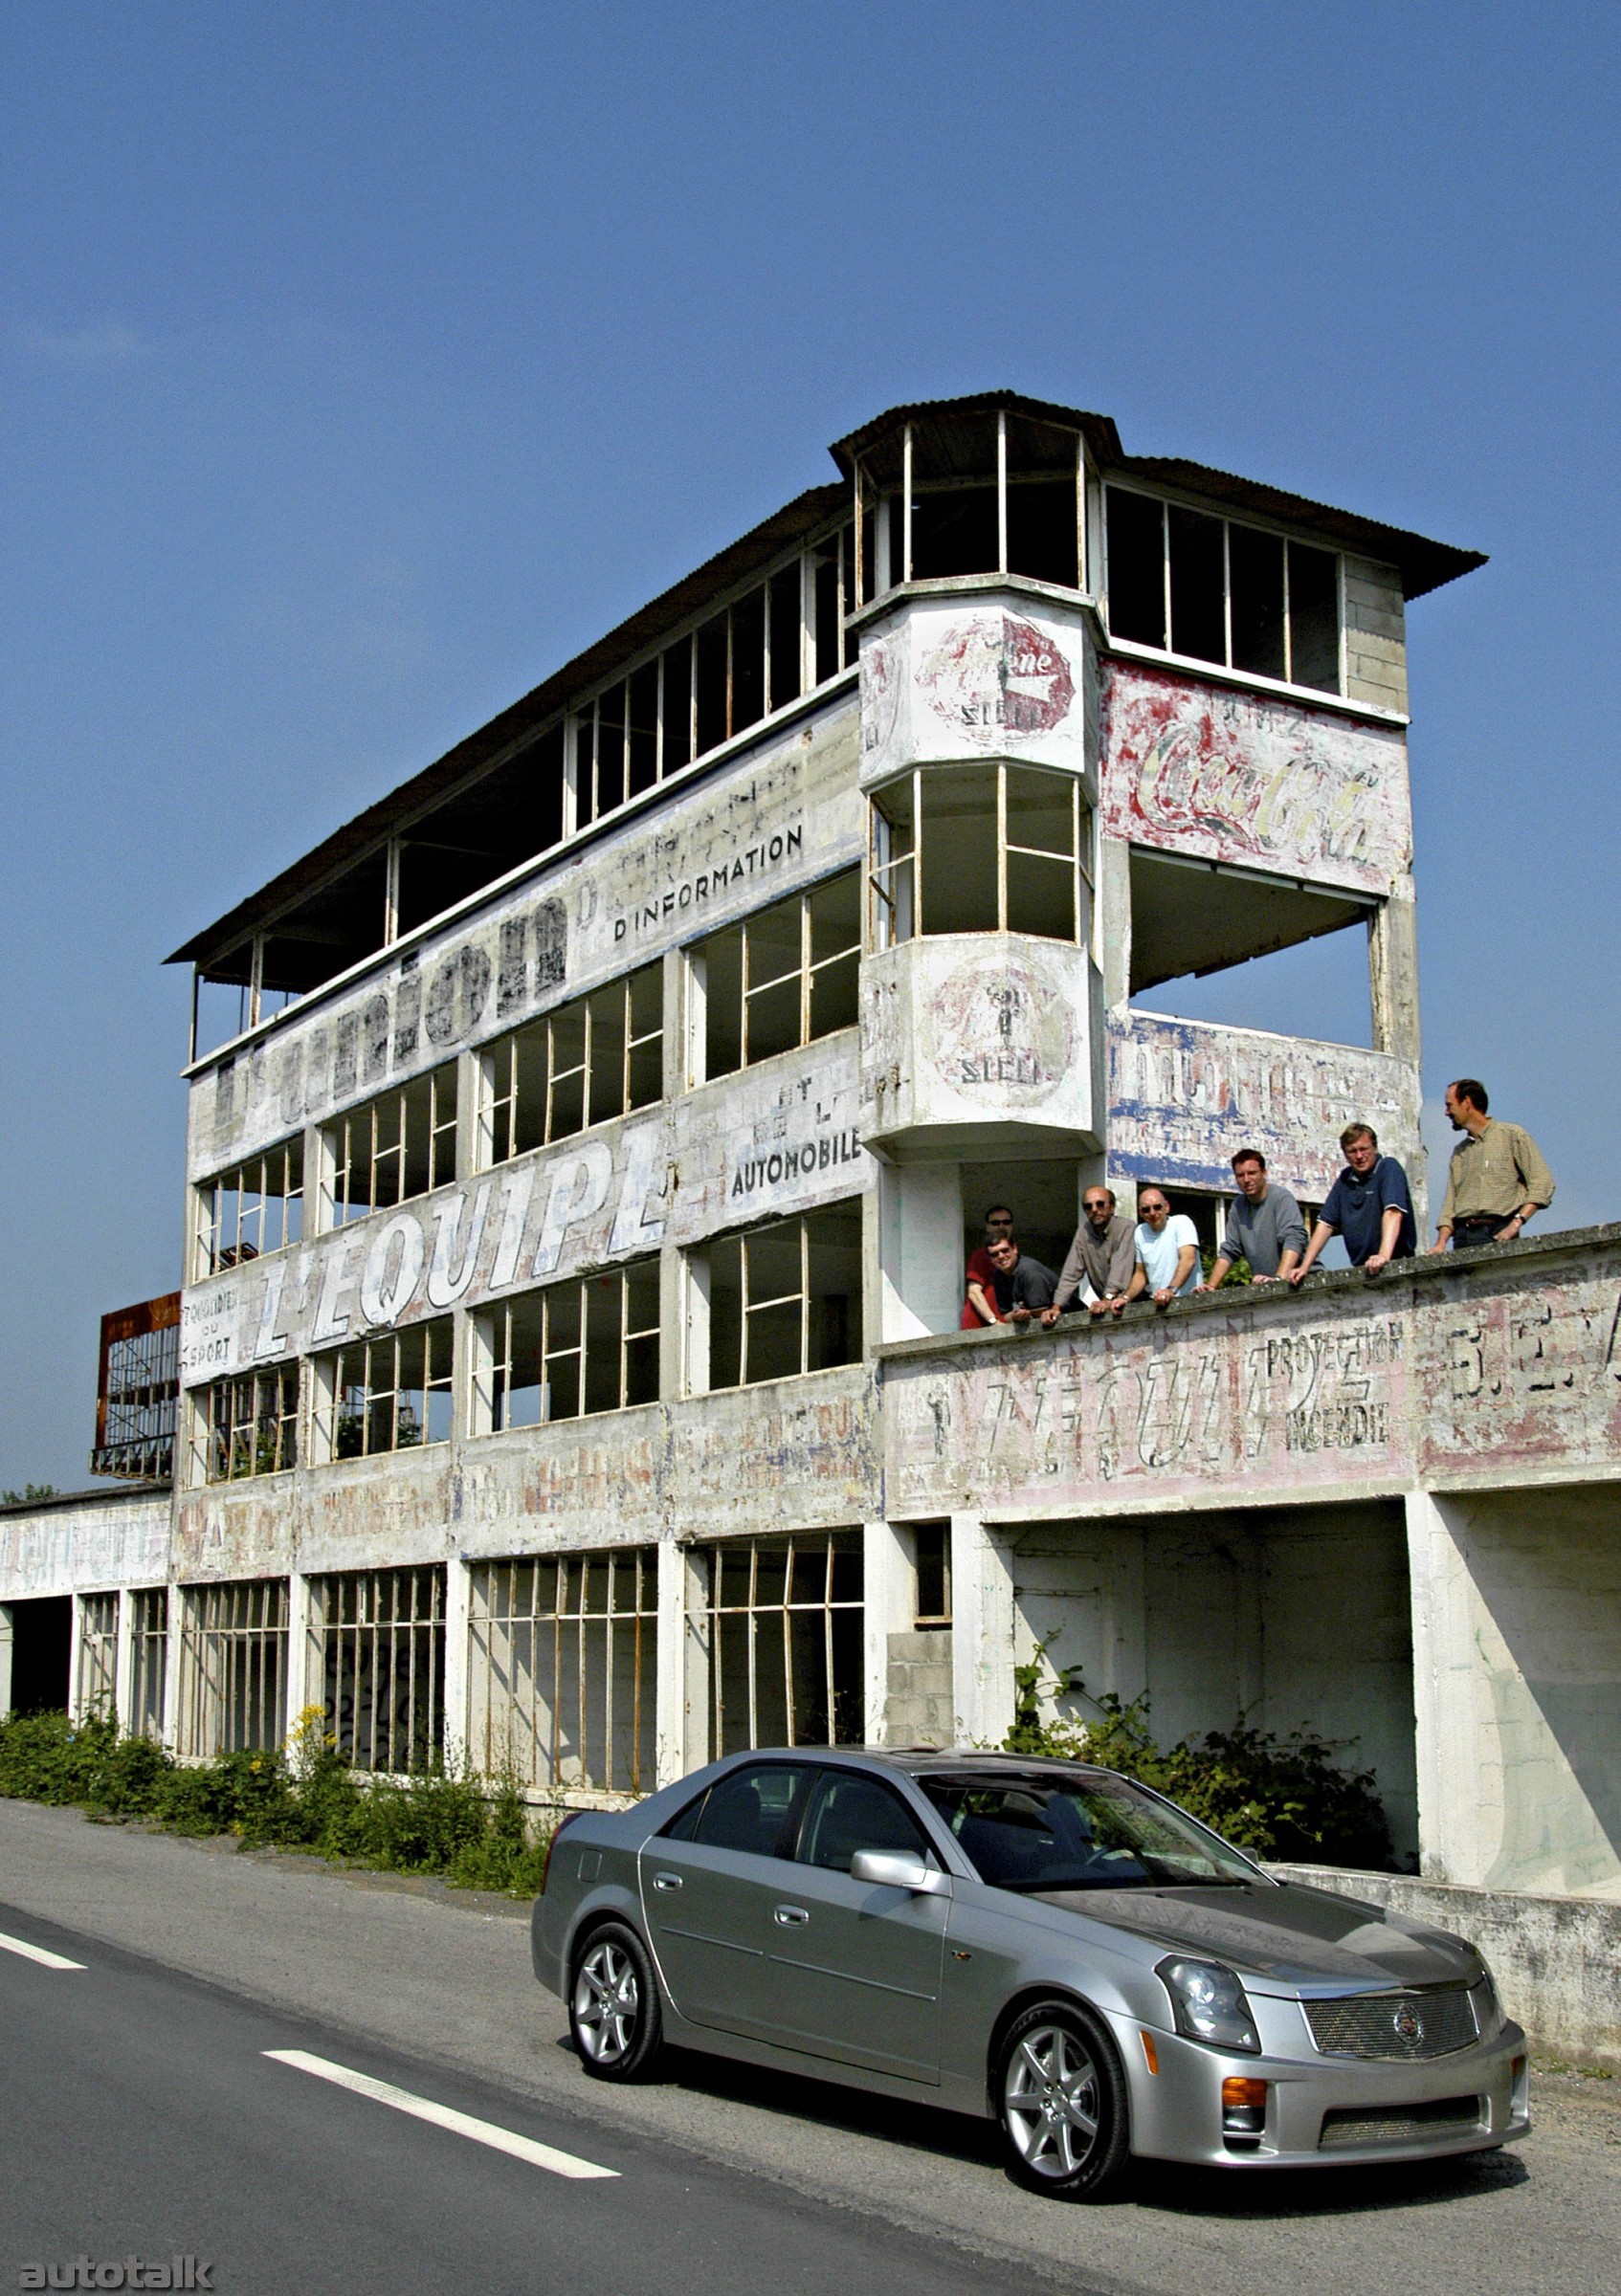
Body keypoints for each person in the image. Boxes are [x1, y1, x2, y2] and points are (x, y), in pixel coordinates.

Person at [1428, 1078, 1555, 1252]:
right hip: (1462, 1236)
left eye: (1450, 1105)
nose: (1446, 1112)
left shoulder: (1512, 1136)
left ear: (1466, 1102)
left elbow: (1542, 1183)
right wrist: (1440, 1243)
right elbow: (1450, 1205)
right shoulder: (1459, 1152)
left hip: (1497, 1232)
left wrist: (1516, 1224)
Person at [1289, 1125, 1416, 1282]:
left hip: (1395, 1263)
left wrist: (1383, 1256)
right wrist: (1304, 1267)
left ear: (1374, 1148)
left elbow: (1393, 1212)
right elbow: (1325, 1224)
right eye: (1352, 1151)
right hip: (1363, 1268)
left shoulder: (1388, 1168)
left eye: (1364, 1149)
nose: (1359, 1156)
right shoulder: (1345, 1179)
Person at [1197, 1149, 1306, 1288]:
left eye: (1252, 1173)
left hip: (1301, 1284)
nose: (1246, 1180)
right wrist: (1210, 1287)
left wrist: (1280, 1280)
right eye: (1240, 1175)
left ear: (1264, 1173)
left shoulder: (1281, 1198)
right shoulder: (1238, 1206)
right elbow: (1230, 1249)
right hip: (1267, 1287)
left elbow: (1294, 1238)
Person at [1043, 1185, 1137, 1323]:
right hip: (1110, 1306)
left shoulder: (1126, 1228)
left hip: (1136, 1302)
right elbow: (1071, 1273)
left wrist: (1107, 1300)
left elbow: (1120, 1270)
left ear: (1111, 1207)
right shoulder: (1083, 1232)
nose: (1094, 1209)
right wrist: (1056, 1307)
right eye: (1088, 1206)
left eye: (1100, 1204)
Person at [1125, 1187, 1200, 1305]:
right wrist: (1125, 1298)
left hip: (1190, 1301)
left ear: (1166, 1207)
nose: (1152, 1213)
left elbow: (1188, 1260)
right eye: (1146, 1209)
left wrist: (1171, 1290)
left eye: (1157, 1207)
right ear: (1140, 1213)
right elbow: (1141, 1273)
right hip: (1160, 1304)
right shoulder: (1140, 1232)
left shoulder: (1182, 1222)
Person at [984, 1233, 1058, 1324]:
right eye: (994, 1254)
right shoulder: (998, 1275)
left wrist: (1024, 1315)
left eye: (1005, 1250)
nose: (1001, 1256)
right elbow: (1006, 1315)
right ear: (990, 1259)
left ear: (1014, 1249)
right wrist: (1016, 1316)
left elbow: (1041, 1314)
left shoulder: (1029, 1271)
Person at [963, 1204, 1015, 1328]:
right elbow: (974, 1292)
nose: (1001, 1226)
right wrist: (993, 1321)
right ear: (988, 1227)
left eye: (1006, 1222)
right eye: (995, 1223)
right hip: (981, 1328)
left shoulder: (1014, 1257)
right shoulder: (981, 1255)